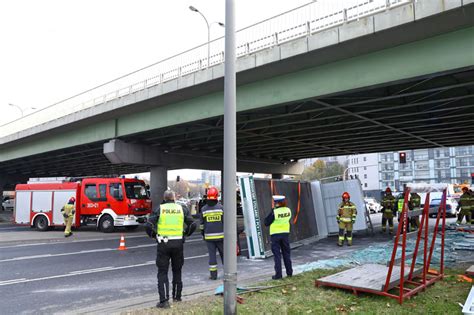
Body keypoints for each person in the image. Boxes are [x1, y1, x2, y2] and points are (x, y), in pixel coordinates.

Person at [145, 190, 196, 309]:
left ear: (164, 198)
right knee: (177, 270)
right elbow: (193, 225)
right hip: (178, 243)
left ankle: (164, 301)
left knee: (162, 272)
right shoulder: (182, 208)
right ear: (174, 198)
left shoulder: (160, 209)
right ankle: (177, 297)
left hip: (163, 243)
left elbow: (148, 225)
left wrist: (154, 235)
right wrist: (185, 234)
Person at [264, 195, 293, 280]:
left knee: (277, 255)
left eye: (274, 202)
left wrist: (272, 210)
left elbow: (266, 222)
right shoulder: (288, 210)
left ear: (277, 203)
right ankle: (289, 272)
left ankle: (278, 275)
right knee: (286, 254)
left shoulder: (275, 212)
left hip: (275, 235)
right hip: (285, 234)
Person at [200, 186, 224, 280]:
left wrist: (203, 234)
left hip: (209, 237)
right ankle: (227, 273)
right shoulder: (221, 208)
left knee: (212, 256)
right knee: (224, 255)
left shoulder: (204, 209)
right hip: (221, 237)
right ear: (216, 196)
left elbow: (201, 225)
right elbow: (225, 222)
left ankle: (213, 275)